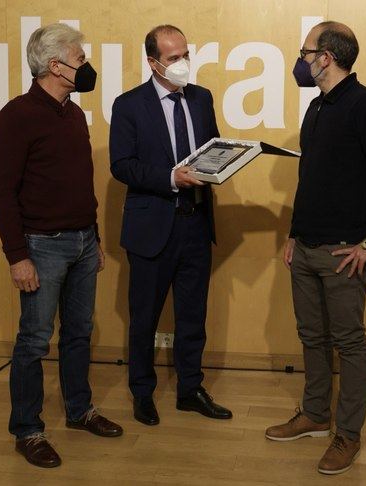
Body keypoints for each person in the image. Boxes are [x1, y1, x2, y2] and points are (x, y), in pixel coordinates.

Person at [264, 21, 366, 475]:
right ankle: (315, 414)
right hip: (305, 247)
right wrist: (293, 232)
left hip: (345, 251)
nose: (300, 61)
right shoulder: (317, 108)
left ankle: (347, 435)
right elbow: (311, 181)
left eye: (305, 52)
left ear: (325, 57)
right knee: (312, 337)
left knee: (349, 343)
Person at [0, 22, 122, 469]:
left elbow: (79, 185)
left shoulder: (74, 115)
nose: (86, 67)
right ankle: (27, 430)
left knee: (79, 333)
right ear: (55, 65)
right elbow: (2, 192)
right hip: (40, 247)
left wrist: (95, 238)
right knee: (34, 341)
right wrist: (17, 256)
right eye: (80, 60)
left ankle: (80, 410)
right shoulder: (16, 116)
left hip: (83, 242)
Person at [109, 24, 232, 426]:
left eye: (185, 54)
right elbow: (122, 165)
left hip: (196, 223)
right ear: (153, 62)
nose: (183, 63)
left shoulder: (201, 98)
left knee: (193, 316)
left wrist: (226, 161)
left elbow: (211, 147)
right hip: (152, 229)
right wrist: (170, 177)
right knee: (143, 318)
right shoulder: (129, 105)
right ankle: (142, 393)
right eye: (174, 58)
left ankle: (190, 389)